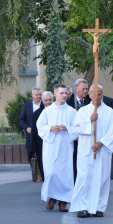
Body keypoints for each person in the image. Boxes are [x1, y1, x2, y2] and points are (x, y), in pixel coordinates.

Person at [70, 84, 113, 218]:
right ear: (89, 95)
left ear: (103, 95)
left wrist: (101, 143)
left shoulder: (109, 111)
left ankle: (99, 207)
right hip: (86, 149)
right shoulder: (83, 111)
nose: (97, 97)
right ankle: (83, 206)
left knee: (101, 178)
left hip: (102, 150)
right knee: (85, 177)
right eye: (94, 94)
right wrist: (89, 120)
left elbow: (112, 131)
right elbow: (77, 128)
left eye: (100, 94)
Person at [36, 84, 78, 212]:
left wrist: (68, 128)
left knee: (65, 174)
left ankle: (63, 202)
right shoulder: (47, 111)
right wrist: (50, 128)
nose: (64, 95)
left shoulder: (72, 111)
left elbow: (78, 128)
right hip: (51, 146)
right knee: (52, 173)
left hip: (65, 146)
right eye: (61, 93)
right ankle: (52, 198)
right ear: (55, 94)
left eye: (66, 93)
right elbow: (40, 125)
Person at [66, 78, 91, 182]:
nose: (86, 91)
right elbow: (67, 122)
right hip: (73, 140)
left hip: (87, 138)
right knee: (74, 162)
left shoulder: (91, 102)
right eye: (83, 89)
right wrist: (75, 135)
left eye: (87, 89)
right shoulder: (68, 102)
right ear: (76, 89)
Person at [30, 91, 54, 181]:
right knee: (43, 165)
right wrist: (33, 147)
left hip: (54, 143)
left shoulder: (57, 111)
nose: (48, 102)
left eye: (50, 100)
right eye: (46, 100)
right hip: (41, 144)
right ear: (42, 101)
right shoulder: (36, 113)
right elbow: (34, 132)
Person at [19, 87, 43, 165]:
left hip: (42, 136)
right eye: (37, 95)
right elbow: (21, 119)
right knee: (30, 155)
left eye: (40, 95)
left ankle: (42, 174)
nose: (39, 96)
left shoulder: (44, 105)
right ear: (32, 95)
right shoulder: (27, 106)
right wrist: (27, 128)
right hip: (30, 136)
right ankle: (34, 174)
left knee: (42, 155)